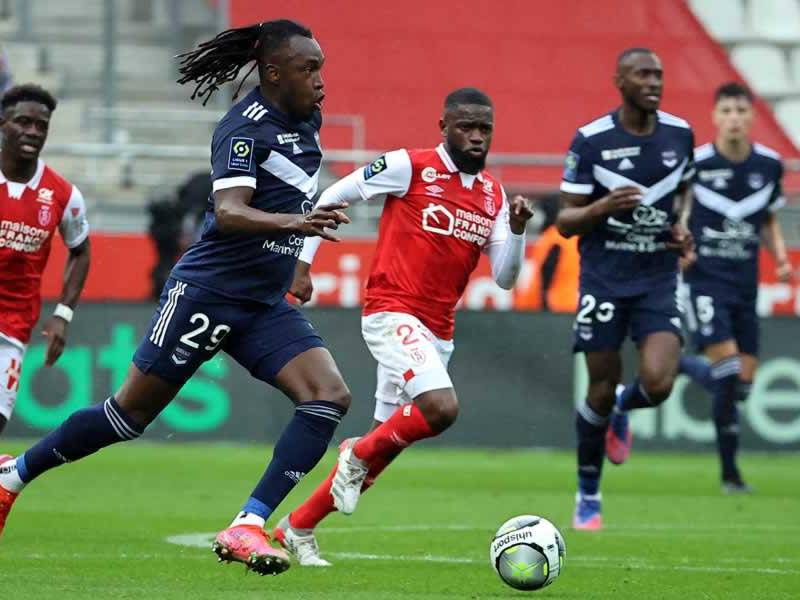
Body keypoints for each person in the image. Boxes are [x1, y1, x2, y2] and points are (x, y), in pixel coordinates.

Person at [0, 20, 353, 576]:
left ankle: (248, 524)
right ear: (273, 72)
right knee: (127, 416)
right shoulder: (241, 129)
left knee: (328, 397)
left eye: (321, 69)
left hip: (262, 300)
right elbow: (232, 212)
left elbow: (291, 192)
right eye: (309, 69)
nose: (320, 81)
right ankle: (12, 476)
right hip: (207, 292)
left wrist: (297, 259)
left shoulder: (307, 117)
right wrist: (296, 223)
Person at [269, 87, 534, 566]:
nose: (476, 137)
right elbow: (333, 193)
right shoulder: (409, 166)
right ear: (444, 127)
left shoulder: (493, 195)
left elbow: (506, 278)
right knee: (441, 408)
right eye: (466, 127)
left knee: (377, 459)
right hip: (392, 312)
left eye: (484, 129)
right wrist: (302, 263)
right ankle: (353, 452)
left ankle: (298, 527)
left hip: (438, 331)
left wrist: (516, 230)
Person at [556, 48, 695, 530]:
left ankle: (623, 405)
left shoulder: (680, 134)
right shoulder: (592, 141)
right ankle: (588, 492)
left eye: (658, 73)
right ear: (620, 80)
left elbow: (684, 195)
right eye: (643, 74)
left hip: (657, 277)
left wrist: (682, 229)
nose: (654, 81)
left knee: (658, 383)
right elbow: (565, 221)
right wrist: (601, 208)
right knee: (596, 388)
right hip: (604, 279)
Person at [678, 82, 792, 494]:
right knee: (726, 371)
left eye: (741, 111)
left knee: (741, 384)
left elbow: (768, 219)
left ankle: (680, 365)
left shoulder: (768, 164)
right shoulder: (698, 163)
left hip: (746, 282)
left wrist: (779, 257)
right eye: (727, 110)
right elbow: (681, 208)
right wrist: (681, 245)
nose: (734, 118)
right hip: (705, 280)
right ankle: (730, 474)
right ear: (715, 116)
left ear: (751, 116)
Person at [0, 84, 90, 437]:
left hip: (12, 324)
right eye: (23, 122)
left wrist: (62, 315)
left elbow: (81, 250)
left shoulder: (63, 195)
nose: (33, 132)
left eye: (41, 126)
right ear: (2, 123)